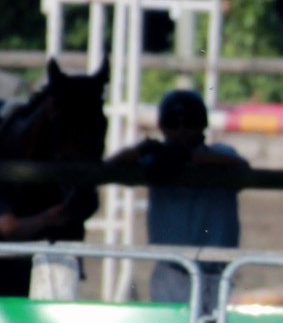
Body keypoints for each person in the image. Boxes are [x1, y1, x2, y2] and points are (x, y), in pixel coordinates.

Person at [106, 90, 248, 308]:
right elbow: (108, 169)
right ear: (164, 127)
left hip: (215, 270)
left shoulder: (220, 154)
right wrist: (141, 151)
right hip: (172, 269)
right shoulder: (155, 162)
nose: (182, 131)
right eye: (174, 124)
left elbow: (241, 169)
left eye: (189, 123)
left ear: (201, 125)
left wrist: (187, 158)